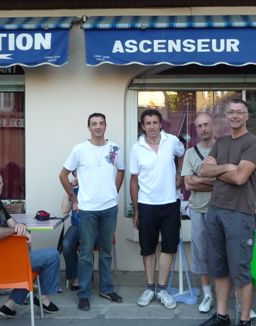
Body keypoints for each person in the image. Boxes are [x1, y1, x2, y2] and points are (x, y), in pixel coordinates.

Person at [195, 98, 256, 326]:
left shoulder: (253, 143)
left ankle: (244, 322)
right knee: (219, 268)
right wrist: (229, 167)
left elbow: (240, 178)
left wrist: (221, 170)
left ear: (246, 116)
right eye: (231, 112)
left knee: (240, 270)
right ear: (226, 116)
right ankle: (222, 315)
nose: (234, 116)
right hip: (216, 211)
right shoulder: (221, 142)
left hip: (240, 214)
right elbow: (203, 171)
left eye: (239, 112)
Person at [0, 171, 61, 318]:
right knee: (52, 256)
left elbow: (14, 224)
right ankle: (42, 297)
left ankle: (9, 306)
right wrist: (15, 230)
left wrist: (22, 229)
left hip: (10, 259)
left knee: (33, 262)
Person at [60, 113, 125, 311]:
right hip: (87, 210)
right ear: (89, 127)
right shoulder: (79, 149)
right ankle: (84, 294)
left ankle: (106, 289)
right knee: (86, 253)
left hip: (109, 209)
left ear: (106, 126)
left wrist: (114, 192)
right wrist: (74, 199)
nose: (98, 127)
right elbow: (63, 174)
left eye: (101, 123)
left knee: (106, 252)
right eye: (94, 124)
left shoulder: (114, 148)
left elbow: (121, 170)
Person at [130, 108, 185, 310]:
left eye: (155, 122)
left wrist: (179, 173)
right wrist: (136, 210)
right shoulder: (136, 148)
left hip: (170, 203)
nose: (152, 127)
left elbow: (182, 154)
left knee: (169, 247)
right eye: (148, 123)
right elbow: (133, 180)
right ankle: (150, 287)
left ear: (160, 124)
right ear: (143, 126)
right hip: (147, 204)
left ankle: (161, 289)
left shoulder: (172, 141)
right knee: (148, 248)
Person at [181, 112, 217, 313]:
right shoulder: (190, 153)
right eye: (199, 126)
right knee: (201, 253)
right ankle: (207, 294)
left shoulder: (224, 149)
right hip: (198, 210)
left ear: (213, 125)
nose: (203, 129)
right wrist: (215, 180)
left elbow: (230, 180)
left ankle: (236, 298)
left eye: (206, 124)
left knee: (225, 253)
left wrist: (199, 180)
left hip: (221, 209)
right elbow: (188, 184)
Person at [60, 172, 81, 291]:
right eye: (75, 174)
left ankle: (82, 278)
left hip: (93, 225)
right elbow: (64, 210)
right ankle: (74, 275)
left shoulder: (93, 189)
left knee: (85, 246)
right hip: (77, 225)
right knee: (66, 244)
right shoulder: (74, 190)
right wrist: (68, 190)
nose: (77, 176)